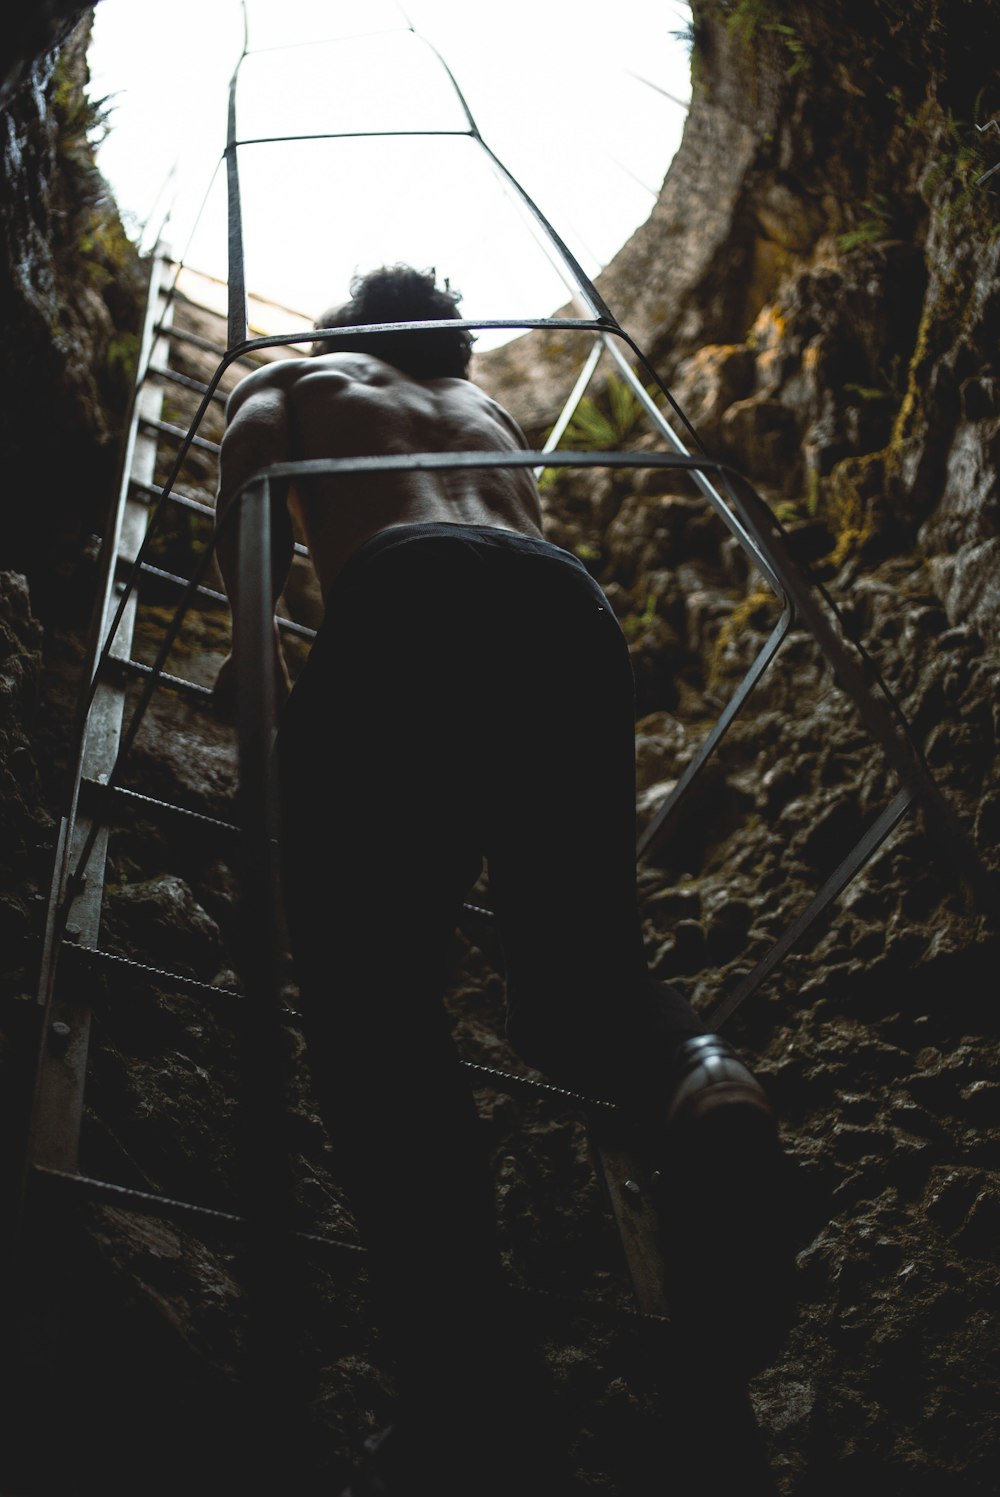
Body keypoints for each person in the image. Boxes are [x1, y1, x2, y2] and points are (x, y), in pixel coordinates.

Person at [213, 265, 794, 1495]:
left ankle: (469, 1391)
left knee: (370, 1013)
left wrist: (257, 675)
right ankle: (708, 1086)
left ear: (347, 333)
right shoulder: (487, 414)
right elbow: (502, 541)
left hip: (404, 598)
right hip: (564, 618)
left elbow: (250, 515)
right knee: (581, 982)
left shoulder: (297, 378)